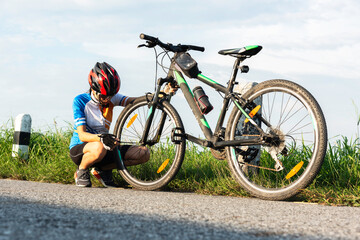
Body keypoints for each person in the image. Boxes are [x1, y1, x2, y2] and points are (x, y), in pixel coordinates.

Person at [69, 62, 150, 187]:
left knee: (143, 153)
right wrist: (101, 137)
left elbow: (135, 101)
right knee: (98, 147)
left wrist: (158, 96)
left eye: (110, 96)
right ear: (94, 89)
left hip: (104, 148)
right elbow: (82, 135)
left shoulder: (112, 98)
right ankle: (81, 170)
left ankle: (102, 170)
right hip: (81, 148)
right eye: (104, 96)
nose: (107, 99)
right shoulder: (80, 101)